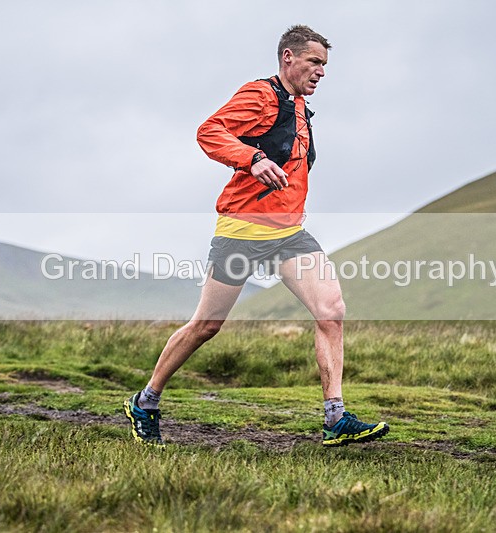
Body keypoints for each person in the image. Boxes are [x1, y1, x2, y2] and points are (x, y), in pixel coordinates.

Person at [124, 25, 389, 448]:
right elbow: (209, 131)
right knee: (206, 326)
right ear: (288, 57)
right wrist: (253, 158)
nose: (321, 71)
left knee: (331, 310)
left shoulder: (299, 107)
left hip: (289, 234)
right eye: (314, 62)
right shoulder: (260, 95)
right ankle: (145, 401)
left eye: (324, 65)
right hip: (242, 231)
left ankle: (335, 418)